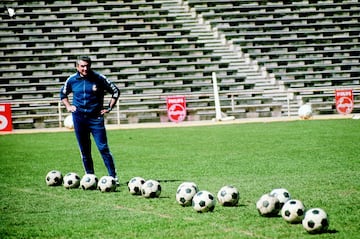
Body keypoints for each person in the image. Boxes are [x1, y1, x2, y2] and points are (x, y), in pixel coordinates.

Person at [60, 56, 120, 185]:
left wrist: (109, 108)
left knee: (103, 148)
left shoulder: (99, 78)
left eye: (87, 65)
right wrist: (69, 106)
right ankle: (90, 177)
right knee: (84, 149)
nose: (85, 68)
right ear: (77, 67)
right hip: (79, 118)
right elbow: (63, 94)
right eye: (82, 66)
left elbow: (115, 91)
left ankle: (113, 177)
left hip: (95, 119)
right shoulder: (71, 80)